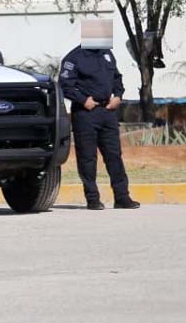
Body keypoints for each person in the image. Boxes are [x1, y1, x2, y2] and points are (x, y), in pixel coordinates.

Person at [59, 19, 140, 210]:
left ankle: (122, 197)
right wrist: (83, 100)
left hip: (107, 112)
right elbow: (65, 85)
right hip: (86, 113)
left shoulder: (107, 55)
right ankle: (92, 198)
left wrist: (118, 95)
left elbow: (116, 78)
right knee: (87, 158)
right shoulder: (74, 58)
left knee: (114, 155)